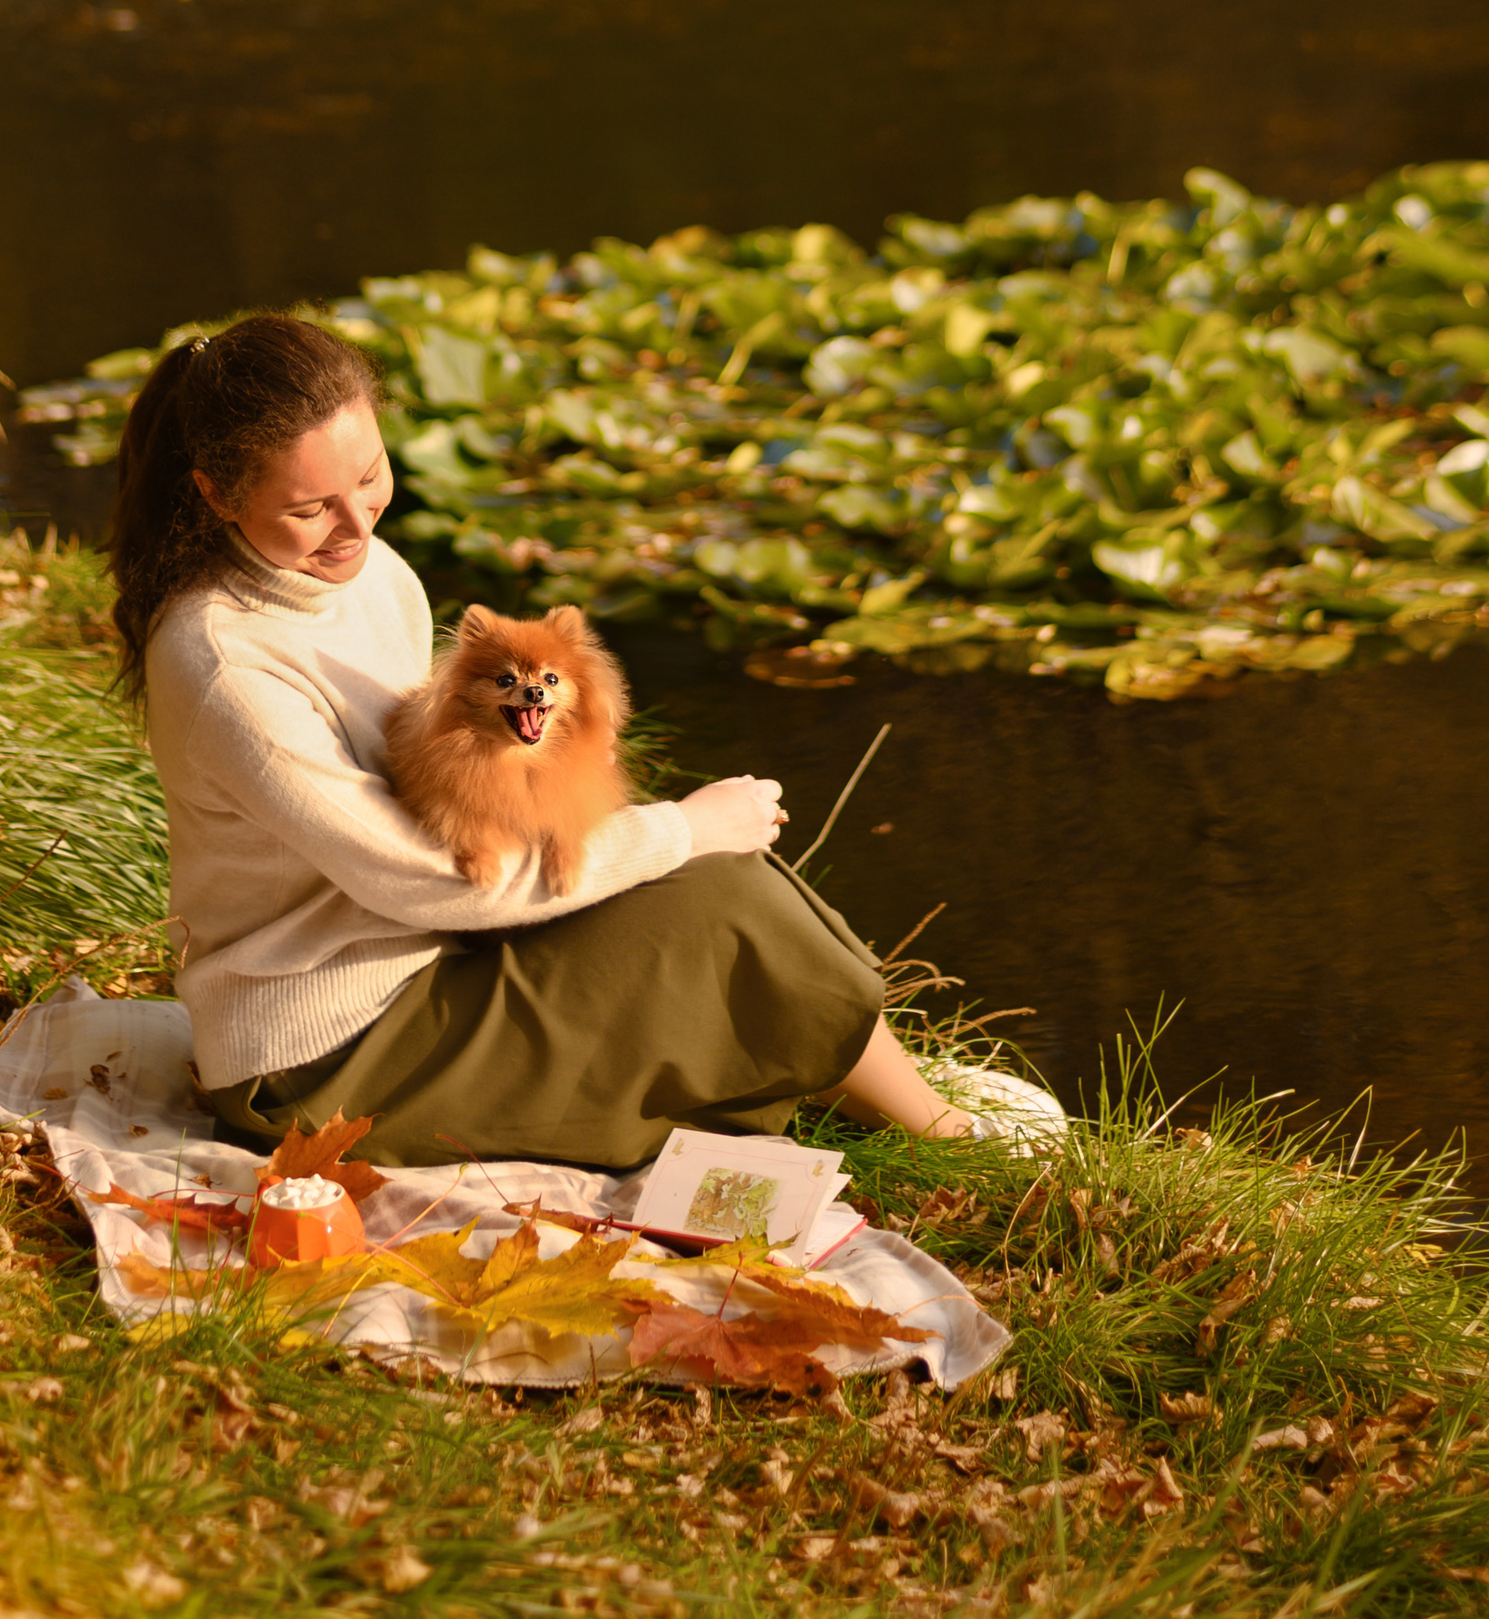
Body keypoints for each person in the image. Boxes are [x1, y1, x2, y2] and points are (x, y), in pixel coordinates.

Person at [108, 308, 989, 1165]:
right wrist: (680, 828)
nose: (359, 524)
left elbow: (440, 769)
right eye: (312, 509)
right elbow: (418, 879)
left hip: (441, 952)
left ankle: (892, 1100)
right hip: (323, 1058)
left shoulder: (375, 577)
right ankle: (942, 1137)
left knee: (720, 883)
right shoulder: (222, 663)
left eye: (371, 477)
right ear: (215, 491)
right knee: (715, 888)